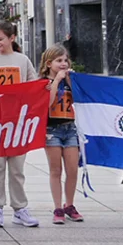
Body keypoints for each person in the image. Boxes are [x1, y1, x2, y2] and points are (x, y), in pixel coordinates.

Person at [0, 20, 41, 228]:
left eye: (1, 39)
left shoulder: (23, 60)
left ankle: (20, 208)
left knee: (16, 168)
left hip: (18, 122)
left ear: (12, 38)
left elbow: (33, 84)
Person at [41, 44, 83, 225]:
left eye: (66, 60)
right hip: (52, 130)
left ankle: (70, 204)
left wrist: (71, 81)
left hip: (70, 127)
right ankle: (57, 207)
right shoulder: (44, 82)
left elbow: (80, 100)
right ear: (49, 63)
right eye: (59, 60)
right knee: (55, 170)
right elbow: (47, 103)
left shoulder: (70, 80)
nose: (63, 63)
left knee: (72, 169)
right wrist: (56, 81)